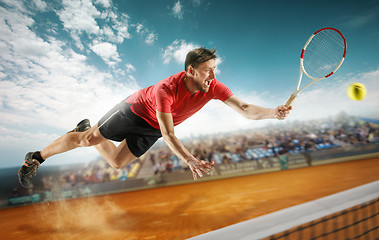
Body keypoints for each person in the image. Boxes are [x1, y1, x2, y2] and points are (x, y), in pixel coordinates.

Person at [18, 47, 291, 188]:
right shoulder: (166, 89)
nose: (213, 76)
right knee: (88, 140)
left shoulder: (213, 88)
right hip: (134, 111)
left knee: (115, 162)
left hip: (152, 129)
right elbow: (169, 134)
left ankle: (87, 128)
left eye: (215, 69)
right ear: (191, 70)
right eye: (208, 70)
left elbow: (244, 109)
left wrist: (272, 112)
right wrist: (189, 159)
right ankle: (36, 157)